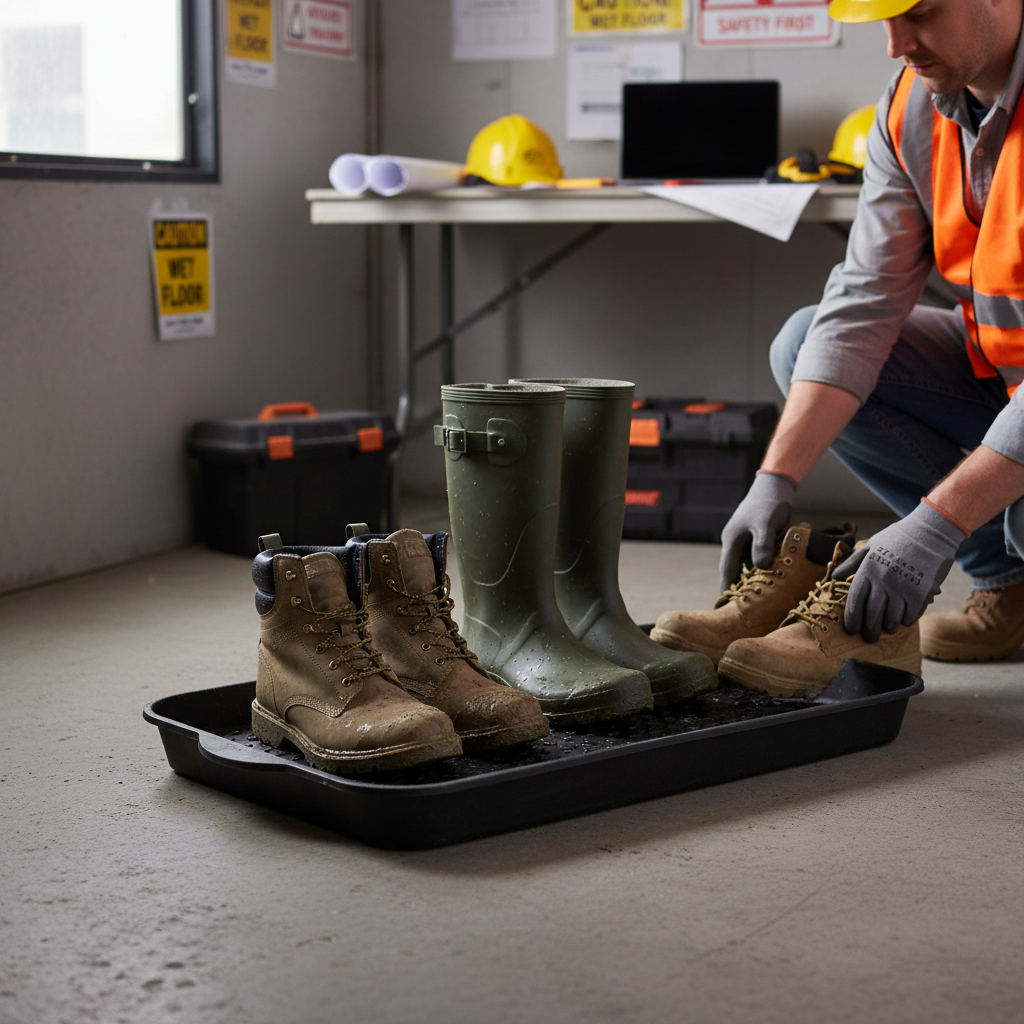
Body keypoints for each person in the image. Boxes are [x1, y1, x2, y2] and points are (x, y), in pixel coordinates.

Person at [658, 0, 1024, 685]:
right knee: (806, 343)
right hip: (1006, 377)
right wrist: (776, 476)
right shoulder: (913, 107)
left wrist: (936, 523)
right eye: (881, 20)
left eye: (919, 13)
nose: (895, 45)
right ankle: (1009, 582)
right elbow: (864, 300)